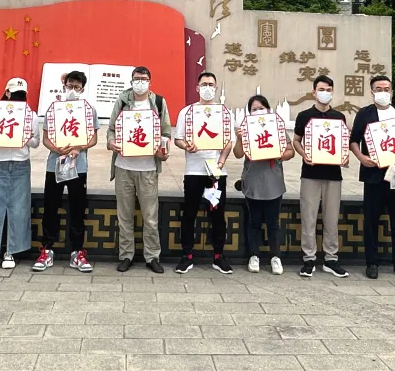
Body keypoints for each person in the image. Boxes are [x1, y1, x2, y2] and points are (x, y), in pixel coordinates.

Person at [349, 75, 395, 280]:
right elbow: (354, 141)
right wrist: (361, 157)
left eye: (386, 89)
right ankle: (372, 262)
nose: (383, 92)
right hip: (374, 176)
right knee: (371, 220)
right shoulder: (365, 114)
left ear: (392, 92)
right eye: (378, 89)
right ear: (372, 92)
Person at [107, 66, 171, 274]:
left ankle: (152, 256)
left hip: (148, 168)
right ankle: (126, 255)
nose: (140, 82)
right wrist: (111, 143)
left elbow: (166, 132)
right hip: (123, 167)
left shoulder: (158, 102)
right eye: (136, 79)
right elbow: (111, 130)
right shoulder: (122, 101)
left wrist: (163, 149)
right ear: (131, 81)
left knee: (150, 216)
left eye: (144, 79)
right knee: (124, 216)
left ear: (150, 81)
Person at [34, 71, 98, 273]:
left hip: (78, 166)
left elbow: (94, 138)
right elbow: (45, 139)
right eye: (70, 86)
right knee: (50, 207)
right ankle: (47, 250)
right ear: (64, 86)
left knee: (77, 209)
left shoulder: (89, 110)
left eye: (77, 87)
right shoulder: (53, 109)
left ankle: (77, 252)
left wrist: (79, 147)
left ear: (82, 89)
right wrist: (57, 149)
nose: (72, 90)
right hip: (55, 165)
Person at [173, 72, 236, 275]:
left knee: (217, 214)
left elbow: (229, 141)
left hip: (216, 172)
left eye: (211, 84)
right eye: (204, 84)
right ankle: (187, 255)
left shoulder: (224, 112)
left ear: (216, 88)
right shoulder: (187, 112)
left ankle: (218, 256)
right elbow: (178, 139)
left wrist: (222, 160)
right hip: (193, 171)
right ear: (197, 87)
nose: (207, 88)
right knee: (189, 213)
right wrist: (186, 146)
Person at [0, 78, 42, 269]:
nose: (17, 98)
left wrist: (25, 137)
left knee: (19, 208)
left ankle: (11, 252)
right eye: (14, 94)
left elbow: (36, 142)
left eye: (20, 95)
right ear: (6, 93)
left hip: (21, 163)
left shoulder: (31, 115)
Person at [293, 75, 349, 278]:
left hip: (333, 175)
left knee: (331, 219)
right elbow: (296, 141)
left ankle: (331, 259)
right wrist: (304, 155)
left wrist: (344, 156)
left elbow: (343, 143)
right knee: (308, 217)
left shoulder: (339, 117)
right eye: (321, 89)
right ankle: (309, 259)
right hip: (310, 173)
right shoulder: (304, 115)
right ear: (314, 92)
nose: (325, 93)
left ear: (332, 92)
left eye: (328, 90)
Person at [234, 94, 293, 275]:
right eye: (254, 109)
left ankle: (275, 257)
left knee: (273, 222)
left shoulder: (276, 127)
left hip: (273, 181)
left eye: (261, 108)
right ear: (249, 112)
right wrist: (239, 138)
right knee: (254, 222)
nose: (258, 111)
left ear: (268, 109)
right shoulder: (246, 129)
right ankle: (254, 256)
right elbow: (237, 154)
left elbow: (290, 151)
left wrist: (279, 154)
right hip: (253, 181)